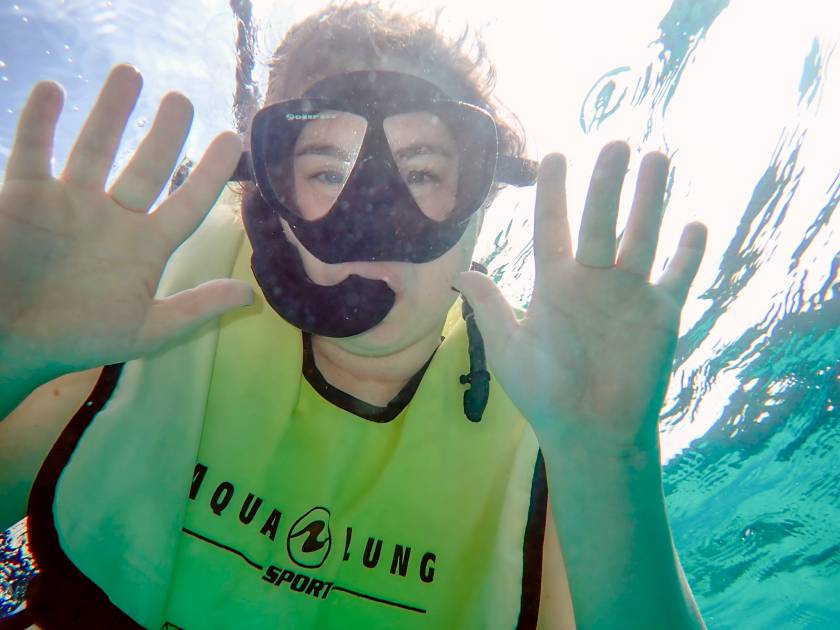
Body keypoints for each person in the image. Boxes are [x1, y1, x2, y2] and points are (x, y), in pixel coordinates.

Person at [0, 2, 708, 629]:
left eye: (423, 172)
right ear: (271, 203)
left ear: (481, 201)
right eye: (328, 173)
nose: (373, 220)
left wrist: (612, 461)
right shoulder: (156, 315)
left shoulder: (550, 418)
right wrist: (10, 355)